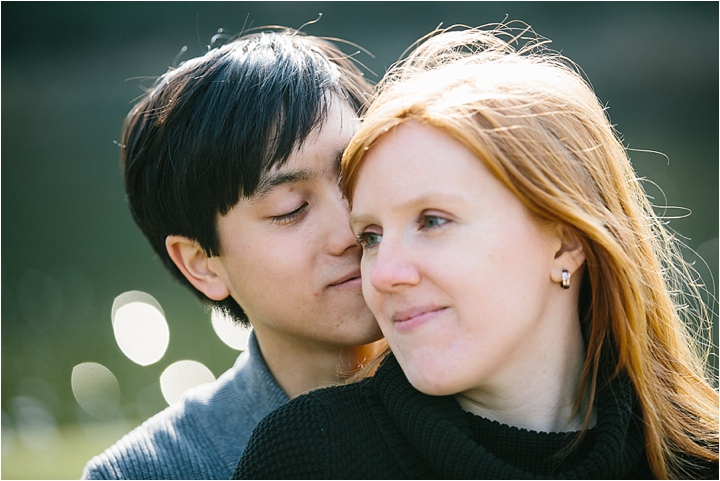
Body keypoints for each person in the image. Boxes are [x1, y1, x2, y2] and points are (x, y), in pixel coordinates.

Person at [235, 23, 719, 479]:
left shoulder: (700, 457)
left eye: (433, 221)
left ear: (566, 241)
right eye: (372, 237)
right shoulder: (310, 457)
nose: (381, 275)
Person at [82, 27, 383, 479]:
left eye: (355, 175)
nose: (351, 230)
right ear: (201, 263)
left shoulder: (504, 393)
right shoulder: (148, 473)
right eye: (291, 209)